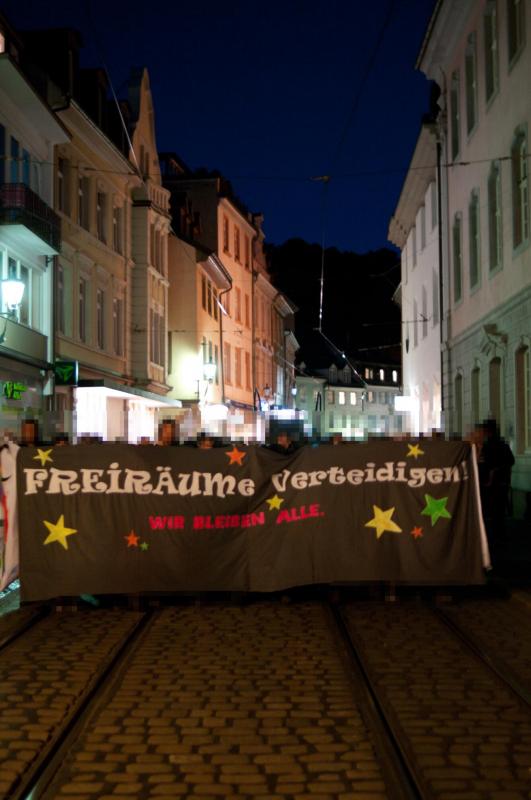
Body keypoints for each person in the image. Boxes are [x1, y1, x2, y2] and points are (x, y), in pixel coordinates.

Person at [476, 419, 514, 540]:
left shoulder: (488, 446)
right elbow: (511, 461)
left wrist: (491, 474)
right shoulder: (503, 444)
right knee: (499, 513)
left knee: (491, 511)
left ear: (488, 431)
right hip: (501, 482)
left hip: (491, 484)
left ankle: (493, 537)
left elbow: (484, 463)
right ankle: (500, 535)